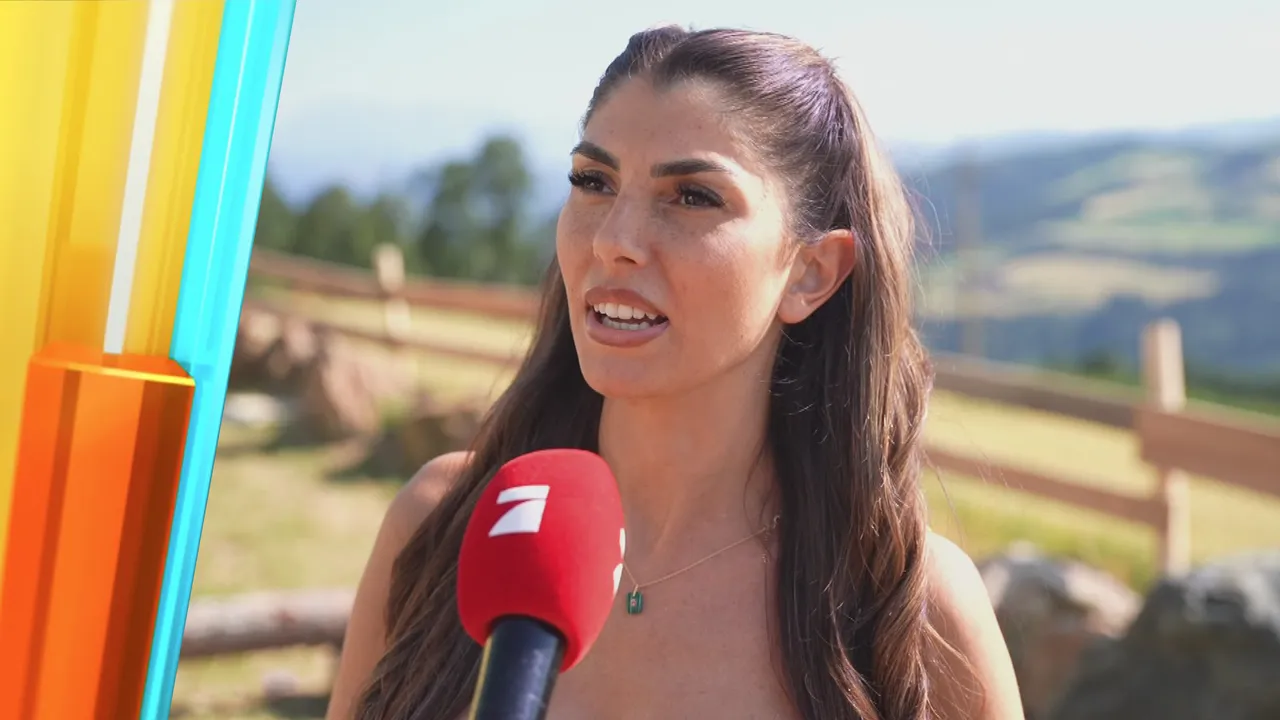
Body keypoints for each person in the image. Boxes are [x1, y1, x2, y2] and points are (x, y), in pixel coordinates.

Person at [326, 25, 1023, 720]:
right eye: (593, 182)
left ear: (811, 272)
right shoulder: (442, 527)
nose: (614, 240)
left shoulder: (916, 612)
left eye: (692, 197)